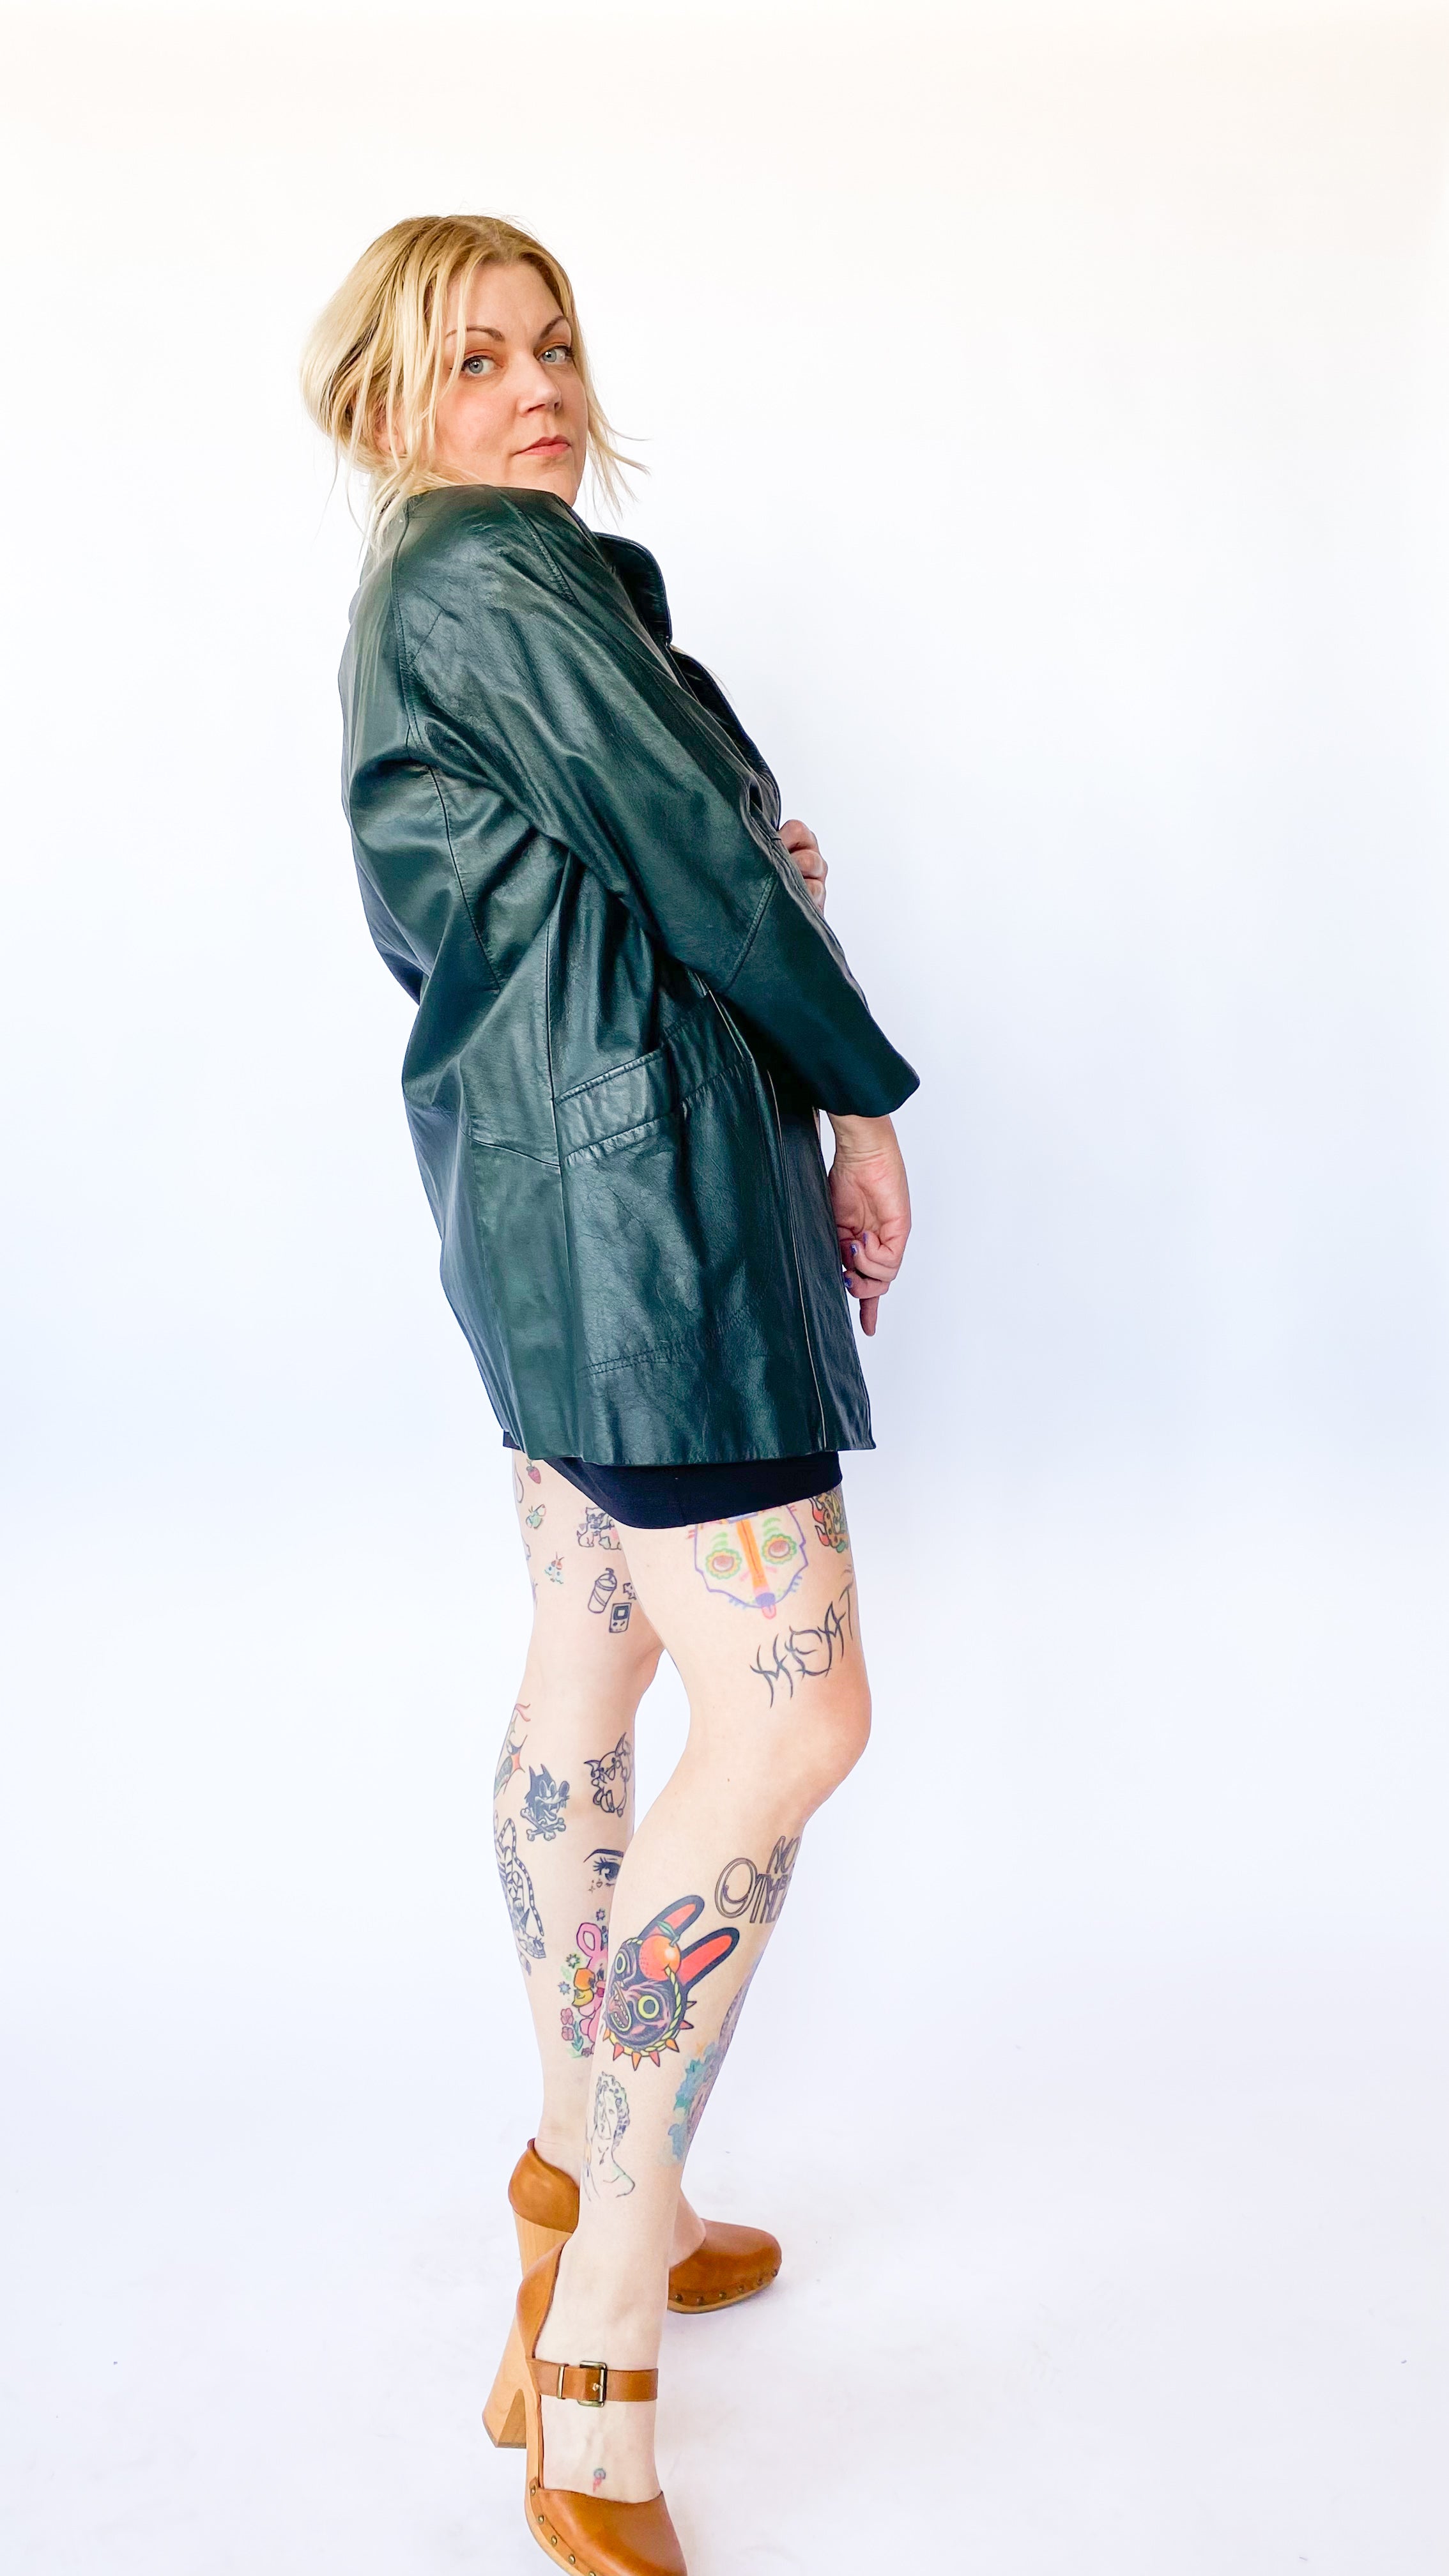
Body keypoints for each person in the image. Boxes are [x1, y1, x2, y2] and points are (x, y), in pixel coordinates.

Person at [302, 214, 917, 2576]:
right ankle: (599, 2332)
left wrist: (735, 842)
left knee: (595, 1667)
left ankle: (579, 2170)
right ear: (387, 401)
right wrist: (857, 1089)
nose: (535, 385)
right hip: (650, 1229)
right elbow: (697, 870)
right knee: (794, 1713)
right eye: (474, 357)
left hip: (547, 1209)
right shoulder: (493, 570)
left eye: (551, 342)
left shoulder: (443, 593)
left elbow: (603, 866)